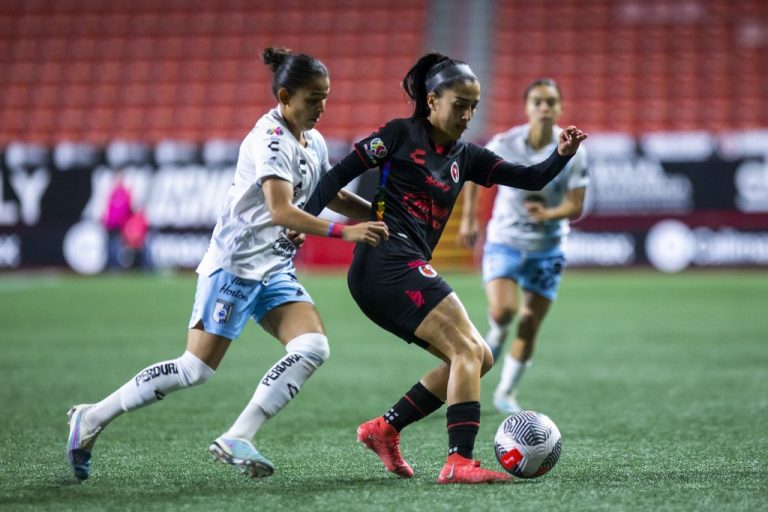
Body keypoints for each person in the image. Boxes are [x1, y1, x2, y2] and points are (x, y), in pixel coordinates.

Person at [66, 47, 388, 481]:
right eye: (313, 98)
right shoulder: (269, 139)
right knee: (194, 369)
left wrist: (380, 214)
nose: (322, 107)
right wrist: (344, 233)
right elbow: (280, 209)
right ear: (285, 96)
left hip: (273, 267)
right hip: (235, 267)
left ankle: (239, 435)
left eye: (326, 97)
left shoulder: (311, 141)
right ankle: (91, 418)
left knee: (312, 347)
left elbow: (328, 193)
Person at [304, 53, 586, 484]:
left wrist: (562, 154)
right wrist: (302, 226)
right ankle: (459, 462)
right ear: (433, 99)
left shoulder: (466, 155)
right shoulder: (398, 135)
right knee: (467, 352)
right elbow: (334, 177)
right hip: (384, 262)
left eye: (474, 107)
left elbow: (530, 178)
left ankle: (384, 428)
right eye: (460, 105)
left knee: (479, 357)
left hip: (404, 265)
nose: (467, 116)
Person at [458, 78, 589, 414]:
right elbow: (473, 175)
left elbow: (575, 205)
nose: (544, 108)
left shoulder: (573, 150)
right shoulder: (505, 143)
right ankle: (496, 334)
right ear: (527, 107)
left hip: (548, 248)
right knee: (504, 312)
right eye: (537, 102)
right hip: (506, 241)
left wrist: (548, 214)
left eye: (551, 102)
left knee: (529, 324)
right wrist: (469, 218)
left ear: (560, 107)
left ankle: (506, 392)